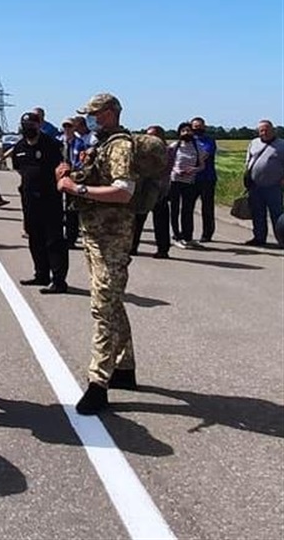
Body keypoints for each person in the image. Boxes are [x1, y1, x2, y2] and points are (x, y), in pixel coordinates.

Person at [57, 93, 139, 415]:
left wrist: (76, 189)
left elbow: (123, 191)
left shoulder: (120, 146)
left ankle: (97, 383)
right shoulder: (101, 144)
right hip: (94, 233)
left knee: (102, 308)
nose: (88, 119)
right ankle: (125, 366)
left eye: (93, 114)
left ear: (109, 113)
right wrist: (68, 175)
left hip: (112, 237)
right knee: (111, 300)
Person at [10, 112, 69, 294]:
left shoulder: (52, 145)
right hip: (29, 200)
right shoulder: (19, 147)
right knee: (35, 239)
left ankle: (58, 280)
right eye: (25, 125)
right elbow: (19, 168)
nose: (28, 129)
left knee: (54, 241)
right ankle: (41, 274)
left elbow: (63, 168)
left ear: (39, 125)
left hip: (50, 199)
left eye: (32, 125)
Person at [131, 126, 173, 259]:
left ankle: (163, 249)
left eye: (154, 136)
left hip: (159, 189)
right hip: (143, 189)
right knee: (137, 219)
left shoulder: (167, 151)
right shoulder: (142, 152)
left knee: (161, 220)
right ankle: (132, 246)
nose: (150, 139)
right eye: (148, 136)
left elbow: (165, 170)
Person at [243, 120, 284, 247]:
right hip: (255, 186)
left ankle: (281, 240)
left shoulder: (282, 145)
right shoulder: (253, 143)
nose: (264, 132)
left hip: (274, 186)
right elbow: (248, 160)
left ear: (273, 130)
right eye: (261, 130)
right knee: (257, 213)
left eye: (267, 130)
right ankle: (259, 238)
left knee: (277, 215)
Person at [167, 121, 206, 249]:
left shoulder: (197, 147)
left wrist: (193, 170)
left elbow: (202, 165)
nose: (186, 133)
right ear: (179, 133)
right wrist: (175, 170)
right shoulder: (175, 146)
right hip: (175, 181)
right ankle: (177, 236)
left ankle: (188, 237)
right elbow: (168, 163)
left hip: (189, 182)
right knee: (175, 209)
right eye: (183, 131)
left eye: (188, 130)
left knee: (188, 210)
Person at [60, 117, 89, 249]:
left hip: (73, 177)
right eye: (65, 127)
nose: (67, 129)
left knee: (72, 209)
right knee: (59, 208)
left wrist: (71, 172)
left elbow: (81, 161)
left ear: (74, 128)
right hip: (59, 177)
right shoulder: (59, 142)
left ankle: (71, 238)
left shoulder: (80, 143)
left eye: (69, 127)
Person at [189, 117, 218, 243]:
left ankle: (207, 234)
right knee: (187, 207)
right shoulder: (187, 140)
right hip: (190, 179)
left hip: (207, 178)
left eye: (199, 126)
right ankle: (186, 233)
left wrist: (189, 158)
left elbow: (205, 155)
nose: (197, 129)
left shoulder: (209, 141)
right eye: (195, 127)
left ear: (204, 127)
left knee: (207, 208)